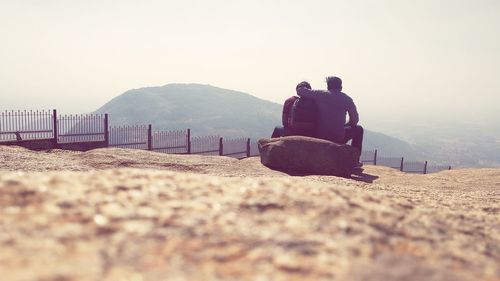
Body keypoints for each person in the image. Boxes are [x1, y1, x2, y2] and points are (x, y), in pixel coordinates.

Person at [296, 76, 364, 166]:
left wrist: (303, 85)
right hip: (338, 136)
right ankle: (355, 161)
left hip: (319, 135)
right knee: (359, 129)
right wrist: (344, 125)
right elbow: (355, 120)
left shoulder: (319, 94)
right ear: (341, 87)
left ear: (328, 86)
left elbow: (300, 90)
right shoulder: (347, 99)